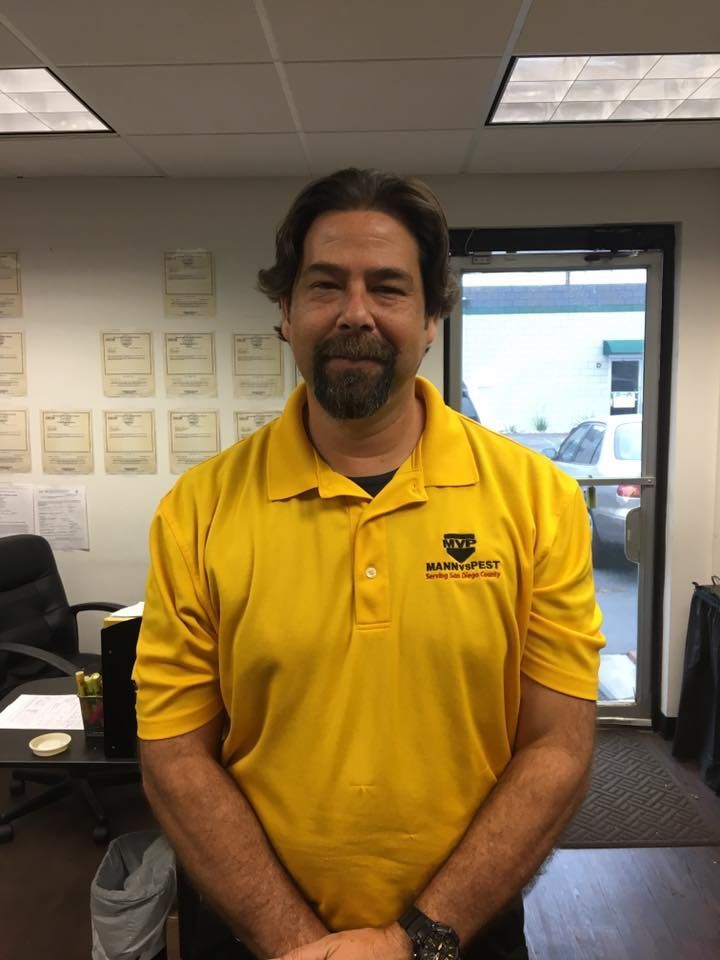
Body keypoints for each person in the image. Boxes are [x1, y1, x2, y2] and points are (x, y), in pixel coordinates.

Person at [133, 168, 604, 960]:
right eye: (325, 285)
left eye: (388, 287)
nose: (356, 312)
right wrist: (293, 941)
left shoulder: (538, 501)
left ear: (432, 318)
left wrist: (415, 939)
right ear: (286, 313)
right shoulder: (198, 512)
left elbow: (559, 749)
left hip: (462, 934)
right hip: (256, 935)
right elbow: (174, 757)